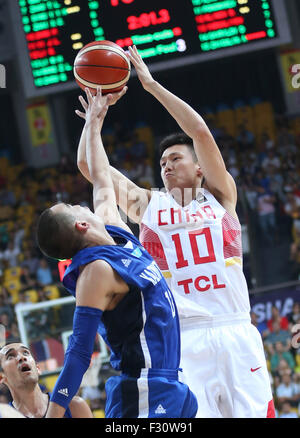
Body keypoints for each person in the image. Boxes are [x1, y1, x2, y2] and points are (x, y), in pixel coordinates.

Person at [76, 46, 274, 418]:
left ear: (200, 169)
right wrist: (94, 121)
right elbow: (91, 167)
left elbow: (198, 130)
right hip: (182, 336)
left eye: (176, 158)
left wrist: (149, 85)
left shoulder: (220, 195)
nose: (166, 165)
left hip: (235, 328)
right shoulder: (146, 205)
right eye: (162, 161)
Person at [36, 87, 197, 419]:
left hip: (171, 384)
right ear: (81, 224)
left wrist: (95, 121)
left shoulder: (115, 231)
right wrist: (54, 412)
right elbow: (79, 352)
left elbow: (99, 176)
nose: (79, 201)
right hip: (142, 389)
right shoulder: (94, 273)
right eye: (70, 205)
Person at [0, 343, 93, 418]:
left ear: (38, 368)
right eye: (10, 356)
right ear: (1, 377)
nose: (22, 357)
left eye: (25, 353)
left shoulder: (74, 406)